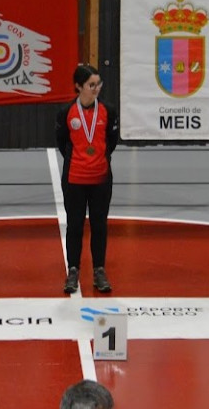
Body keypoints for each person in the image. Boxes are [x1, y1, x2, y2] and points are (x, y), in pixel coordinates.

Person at [56, 65, 119, 294]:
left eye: (98, 84)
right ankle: (73, 270)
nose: (96, 89)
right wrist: (79, 160)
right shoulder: (66, 112)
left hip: (101, 178)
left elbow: (112, 141)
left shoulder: (108, 110)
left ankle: (99, 270)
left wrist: (98, 159)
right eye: (91, 85)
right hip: (74, 179)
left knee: (99, 225)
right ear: (79, 87)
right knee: (74, 225)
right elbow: (62, 142)